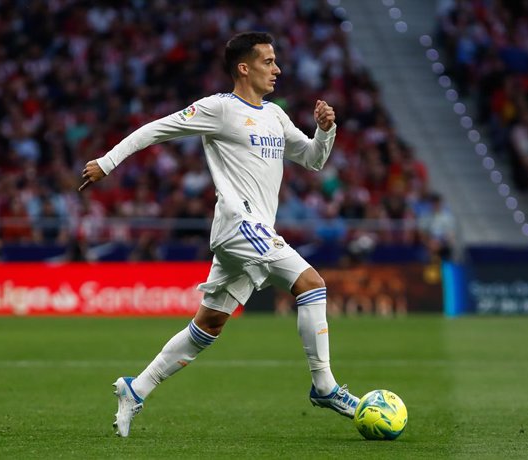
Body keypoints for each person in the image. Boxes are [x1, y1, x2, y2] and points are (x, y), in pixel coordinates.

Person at [79, 31, 359, 437]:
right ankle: (324, 386)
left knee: (208, 324)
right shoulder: (220, 109)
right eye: (268, 61)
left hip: (251, 232)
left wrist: (325, 131)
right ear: (244, 68)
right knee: (311, 284)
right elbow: (157, 129)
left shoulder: (275, 115)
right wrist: (107, 162)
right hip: (239, 224)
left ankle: (134, 389)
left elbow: (313, 160)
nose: (277, 69)